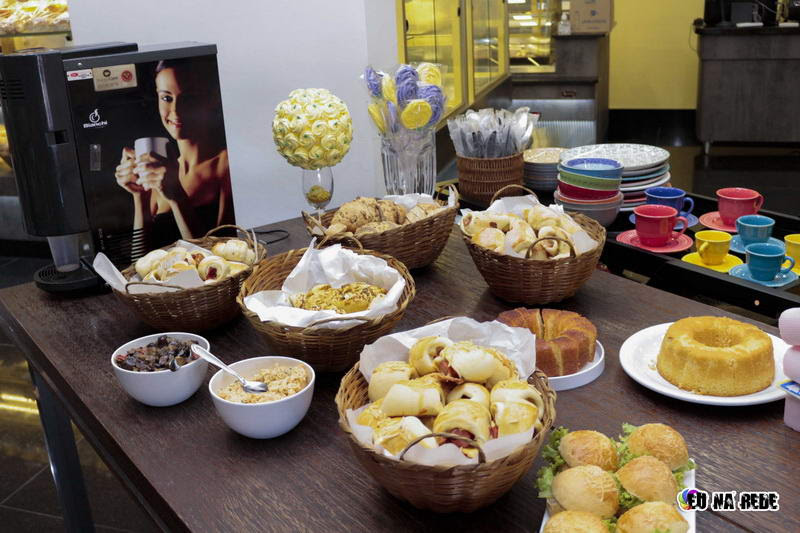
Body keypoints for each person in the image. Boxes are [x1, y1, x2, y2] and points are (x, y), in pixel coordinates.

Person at [114, 59, 234, 244]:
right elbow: (140, 259)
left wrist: (177, 196)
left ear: (212, 99)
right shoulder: (157, 174)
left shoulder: (225, 164)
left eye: (190, 98)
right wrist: (140, 197)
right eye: (167, 98)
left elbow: (223, 257)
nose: (176, 110)